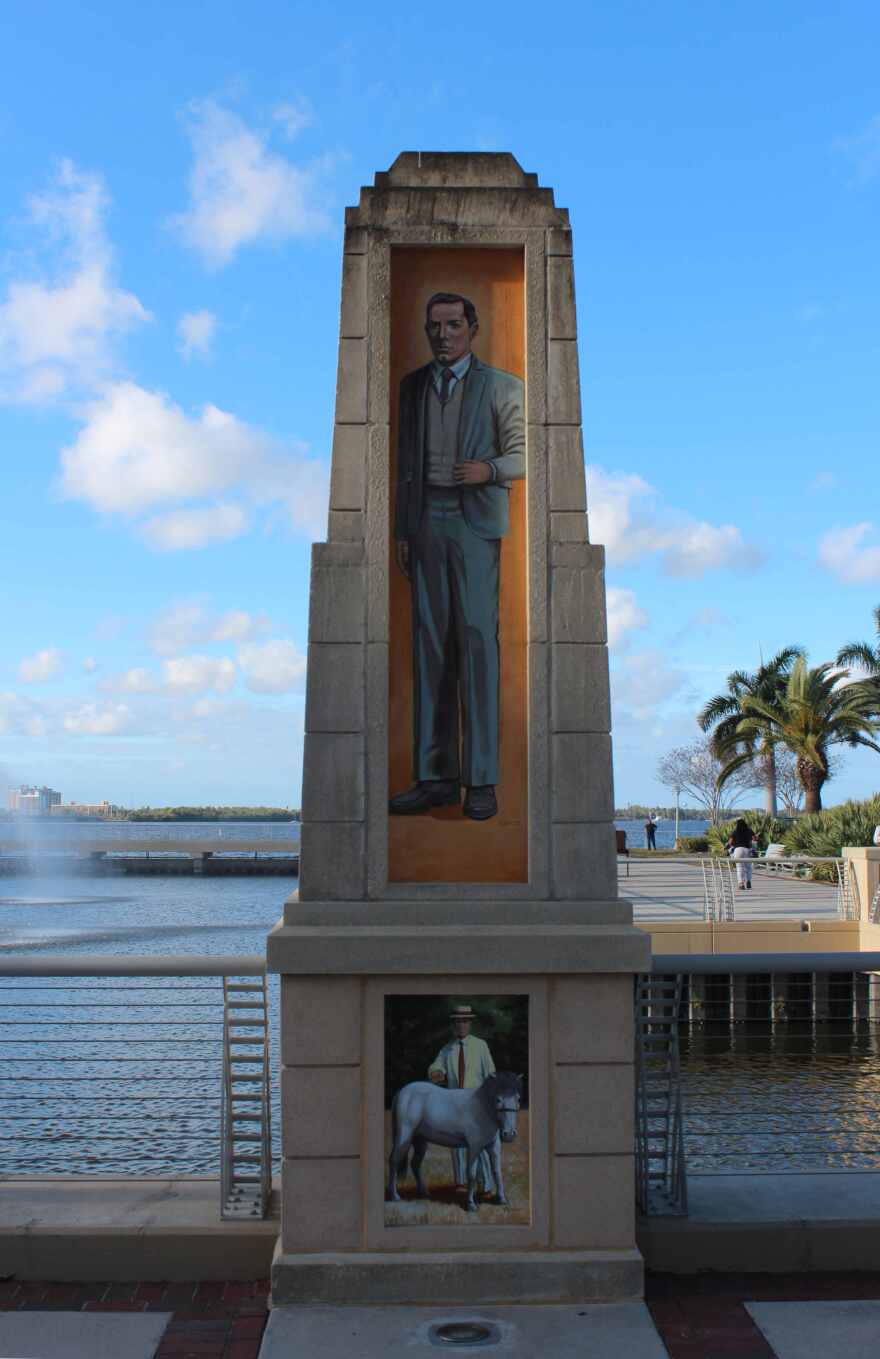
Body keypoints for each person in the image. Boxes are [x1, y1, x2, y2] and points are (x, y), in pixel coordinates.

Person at [389, 292, 525, 823]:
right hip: (425, 524)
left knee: (477, 646)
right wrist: (404, 528)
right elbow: (403, 463)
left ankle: (482, 780)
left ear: (472, 327)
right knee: (429, 650)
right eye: (434, 326)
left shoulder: (503, 387)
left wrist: (489, 470)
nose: (442, 334)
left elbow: (528, 451)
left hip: (475, 524)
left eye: (452, 324)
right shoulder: (413, 387)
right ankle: (435, 778)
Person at [428, 1003, 496, 1191]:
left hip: (476, 1104)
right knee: (456, 1144)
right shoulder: (447, 1049)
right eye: (458, 1022)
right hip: (454, 1104)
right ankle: (460, 1182)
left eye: (465, 1021)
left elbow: (491, 1073)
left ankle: (485, 1184)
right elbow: (435, 1067)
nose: (461, 1025)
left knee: (479, 1144)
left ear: (470, 1024)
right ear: (453, 1025)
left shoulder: (480, 1046)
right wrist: (436, 1073)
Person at [727, 818, 756, 889]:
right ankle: (748, 881)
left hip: (738, 850)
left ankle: (741, 884)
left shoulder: (735, 831)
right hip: (747, 849)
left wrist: (728, 847)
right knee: (748, 867)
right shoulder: (749, 830)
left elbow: (730, 842)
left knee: (739, 867)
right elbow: (755, 838)